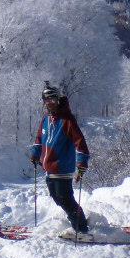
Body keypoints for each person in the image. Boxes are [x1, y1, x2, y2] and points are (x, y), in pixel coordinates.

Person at [29, 82, 92, 241]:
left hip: (62, 167)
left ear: (58, 100)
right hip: (48, 167)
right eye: (47, 100)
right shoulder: (46, 119)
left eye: (53, 99)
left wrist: (82, 164)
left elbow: (80, 143)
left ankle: (82, 229)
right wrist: (35, 153)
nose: (50, 103)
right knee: (57, 198)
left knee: (65, 198)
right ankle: (79, 222)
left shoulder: (67, 119)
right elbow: (39, 138)